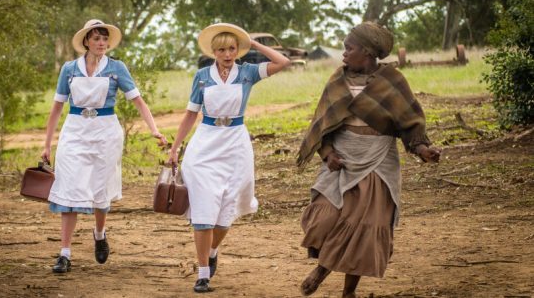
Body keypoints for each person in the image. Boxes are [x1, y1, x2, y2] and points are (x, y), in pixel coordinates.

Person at [296, 22, 441, 297]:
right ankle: (324, 267)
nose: (343, 54)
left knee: (365, 230)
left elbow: (409, 125)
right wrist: (327, 155)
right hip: (343, 157)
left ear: (368, 51)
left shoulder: (392, 81)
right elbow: (321, 124)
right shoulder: (338, 79)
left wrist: (423, 150)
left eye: (348, 48)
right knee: (325, 217)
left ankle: (347, 290)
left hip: (378, 160)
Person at [167, 23, 291, 293]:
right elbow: (190, 114)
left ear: (238, 50)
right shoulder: (201, 76)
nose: (227, 54)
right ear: (214, 51)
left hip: (235, 144)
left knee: (226, 212)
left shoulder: (247, 73)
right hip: (205, 144)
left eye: (232, 48)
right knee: (203, 209)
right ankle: (202, 275)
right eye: (221, 49)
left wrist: (253, 44)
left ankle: (212, 250)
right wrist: (175, 148)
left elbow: (283, 61)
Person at [42, 19, 167, 274]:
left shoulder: (117, 68)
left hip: (105, 132)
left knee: (101, 189)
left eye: (104, 39)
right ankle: (65, 253)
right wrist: (46, 145)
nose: (101, 43)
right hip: (75, 131)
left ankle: (99, 234)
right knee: (69, 188)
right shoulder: (69, 69)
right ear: (86, 41)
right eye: (96, 38)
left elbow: (139, 102)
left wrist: (154, 129)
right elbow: (56, 108)